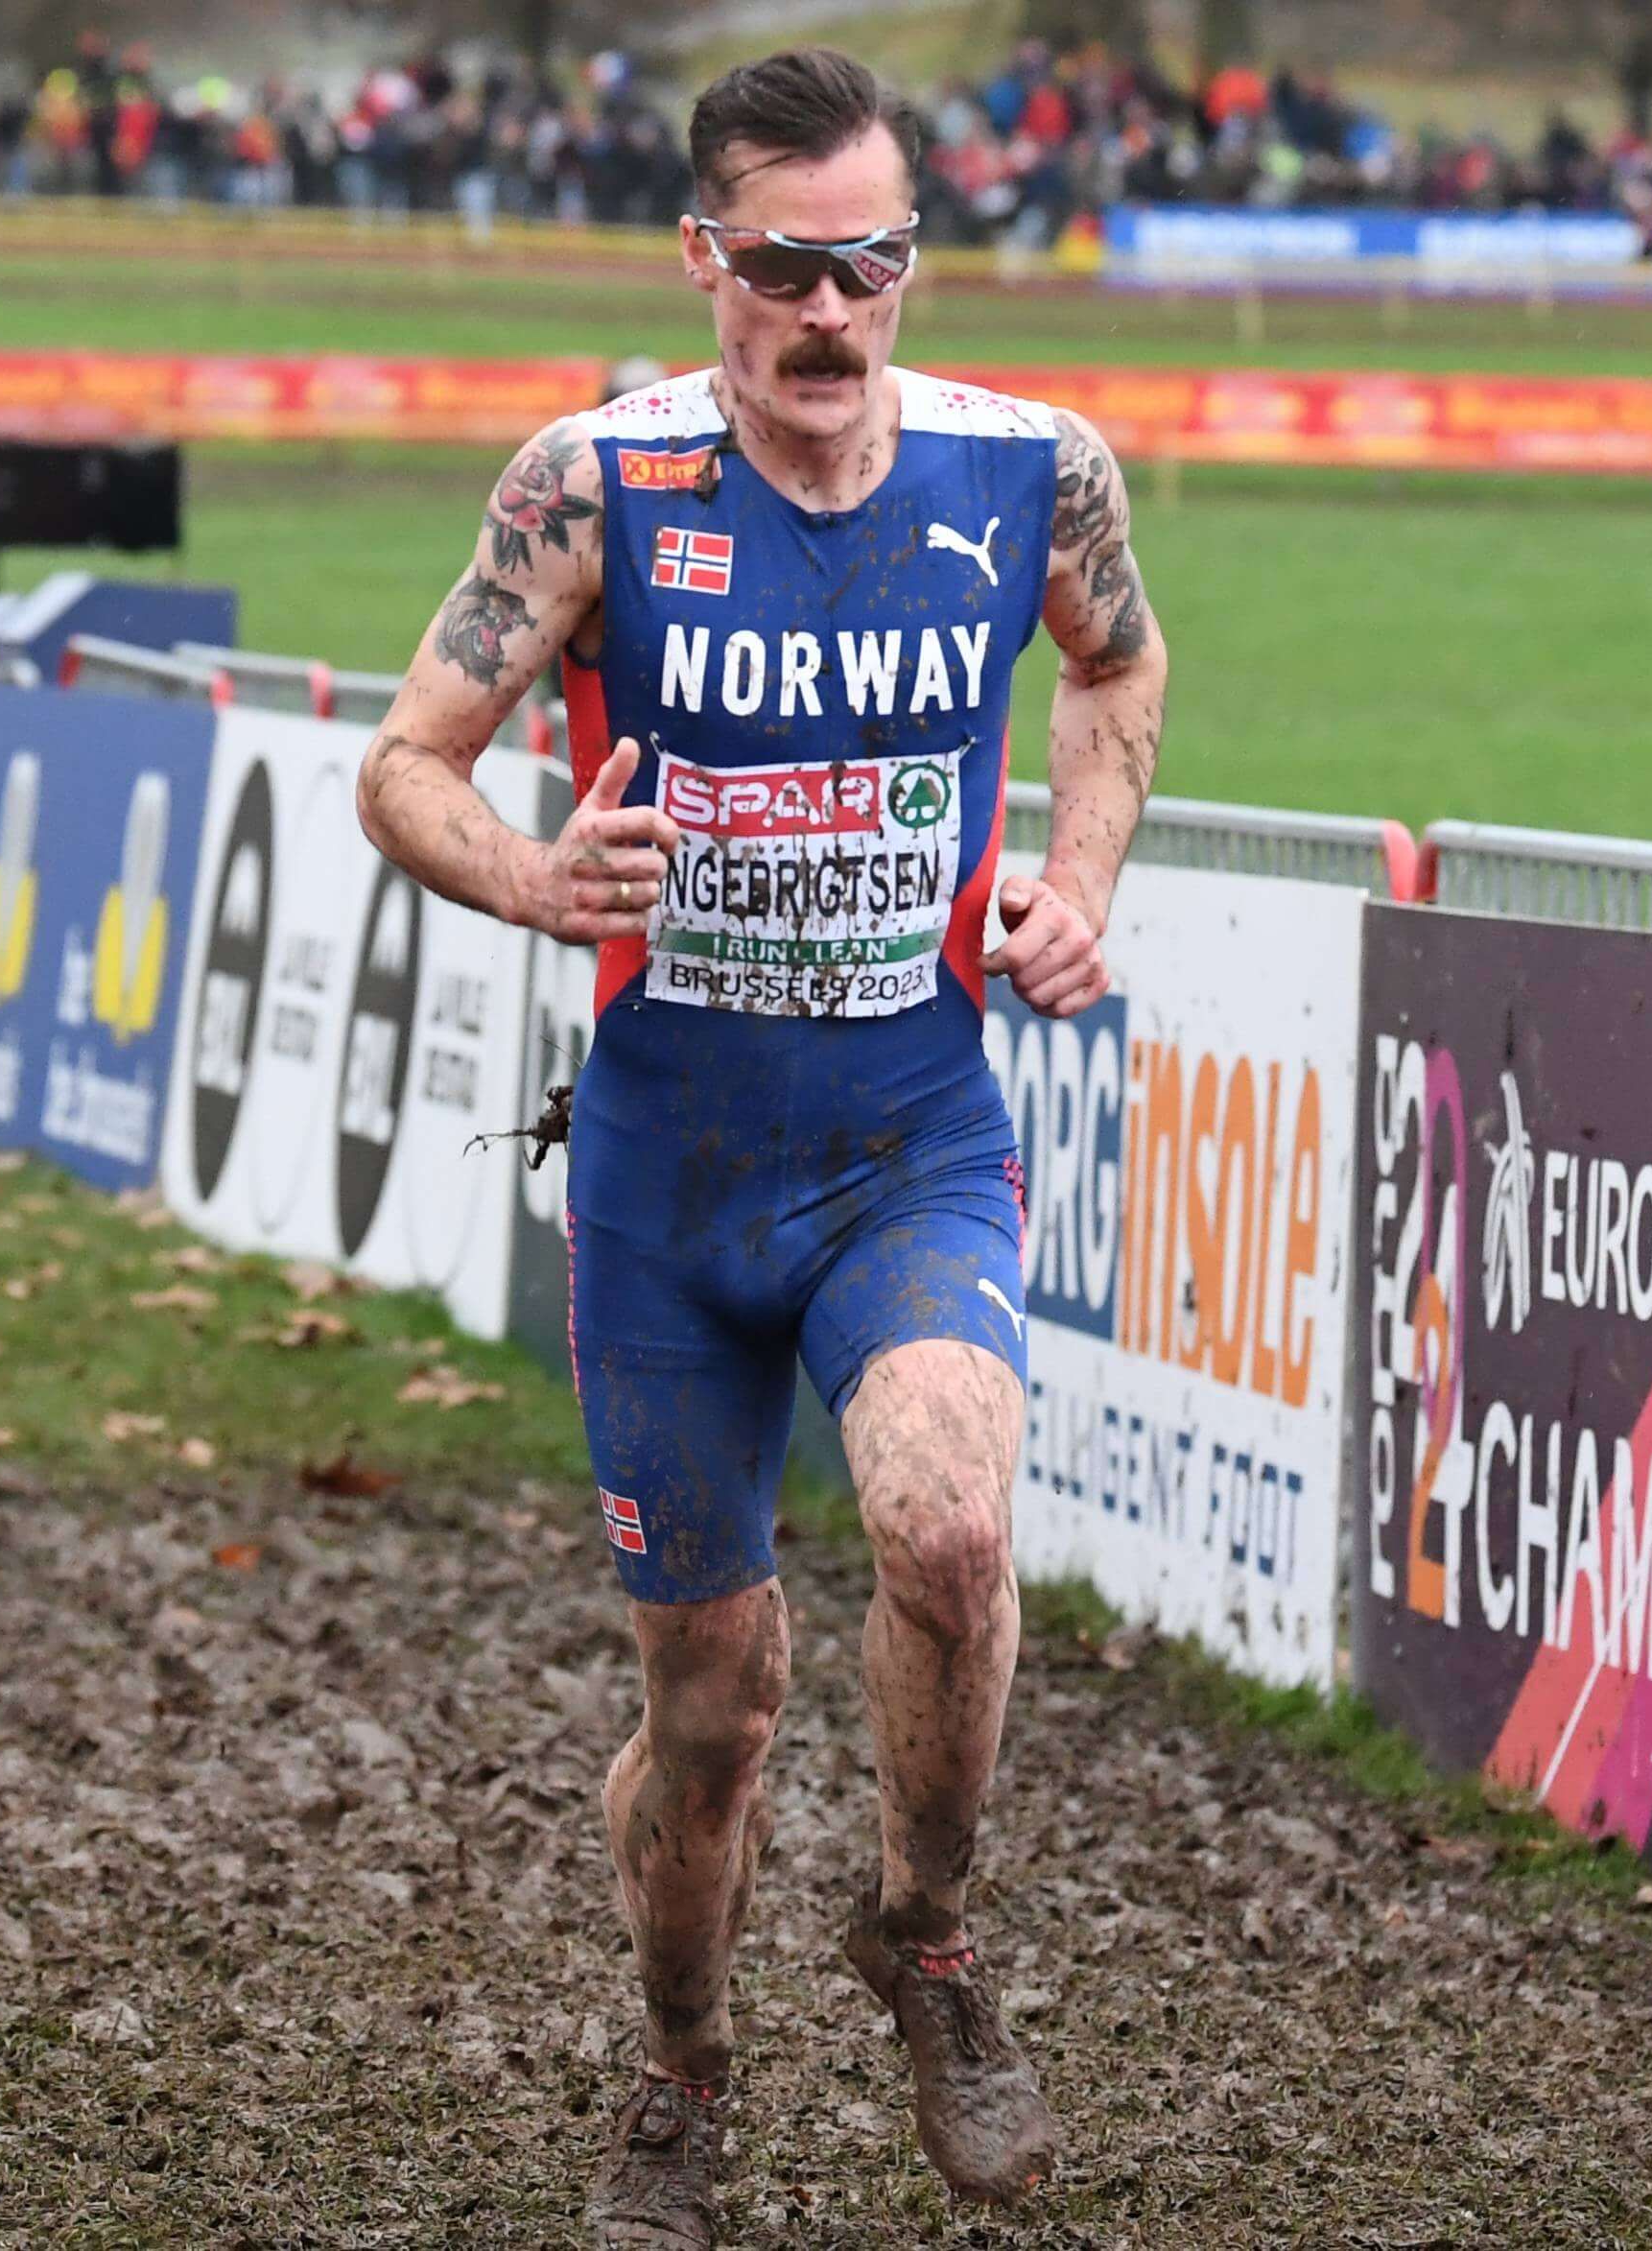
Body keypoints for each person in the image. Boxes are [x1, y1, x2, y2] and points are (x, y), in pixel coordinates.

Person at [355, 46, 1165, 2246]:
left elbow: (1113, 674)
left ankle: (927, 1935)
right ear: (708, 260)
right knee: (712, 1712)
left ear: (914, 261)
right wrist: (530, 879)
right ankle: (686, 2068)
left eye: (871, 266)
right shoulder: (592, 488)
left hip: (909, 1141)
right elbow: (410, 760)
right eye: (787, 269)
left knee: (953, 1536)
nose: (830, 318)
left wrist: (1077, 877)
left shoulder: (1033, 475)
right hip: (668, 1183)